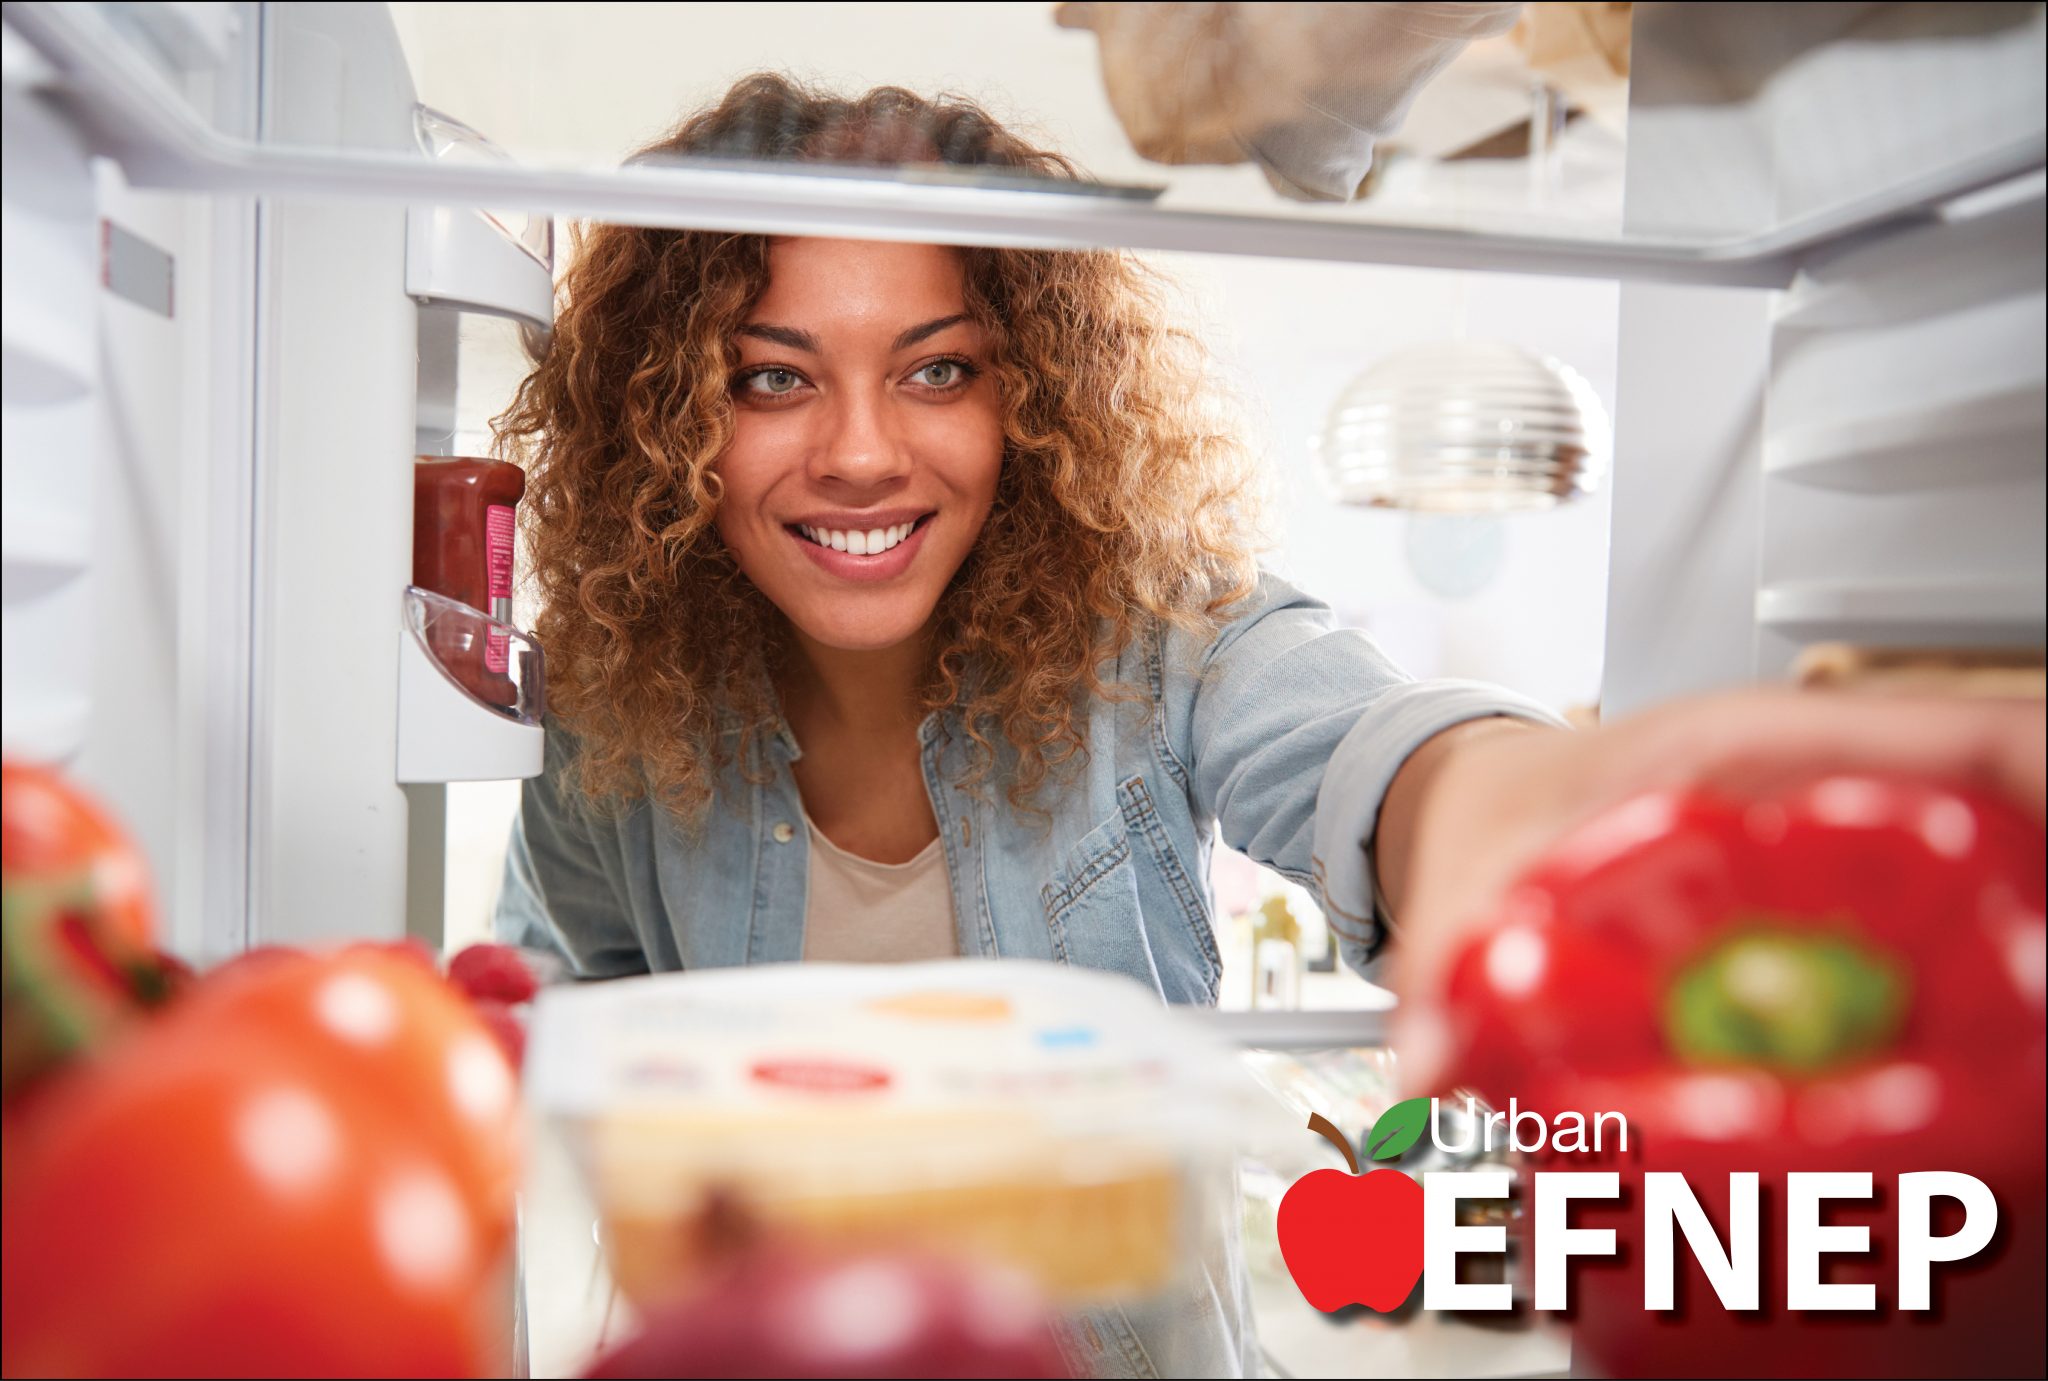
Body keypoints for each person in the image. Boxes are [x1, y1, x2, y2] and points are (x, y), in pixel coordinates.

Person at [495, 74, 2045, 1378]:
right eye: (774, 379)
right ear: (673, 419)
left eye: (938, 370)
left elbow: (1368, 747)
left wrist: (1505, 802)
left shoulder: (1156, 638)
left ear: (1026, 399)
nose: (859, 451)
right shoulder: (615, 710)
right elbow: (577, 1002)